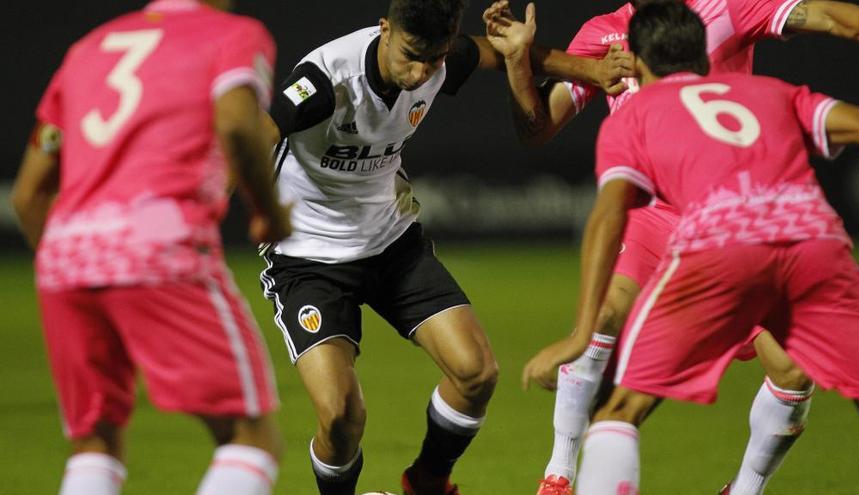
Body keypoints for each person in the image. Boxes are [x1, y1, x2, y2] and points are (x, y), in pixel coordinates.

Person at [485, 0, 859, 492]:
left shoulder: (726, 10)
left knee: (788, 372)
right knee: (612, 321)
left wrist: (577, 331)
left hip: (727, 222)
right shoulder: (609, 36)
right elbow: (539, 127)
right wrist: (519, 63)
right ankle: (560, 474)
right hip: (673, 220)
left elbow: (827, 16)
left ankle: (743, 488)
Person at [258, 1, 634, 494]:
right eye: (410, 56)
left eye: (433, 61)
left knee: (476, 373)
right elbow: (254, 134)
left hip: (391, 242)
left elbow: (499, 54)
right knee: (341, 416)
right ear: (384, 29)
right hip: (308, 258)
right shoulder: (326, 81)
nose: (419, 73)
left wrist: (590, 69)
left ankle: (427, 482)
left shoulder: (438, 57)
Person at [10, 1, 291, 494]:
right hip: (154, 237)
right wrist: (267, 208)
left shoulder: (89, 47)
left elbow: (28, 194)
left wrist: (79, 261)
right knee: (250, 437)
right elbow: (237, 123)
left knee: (95, 443)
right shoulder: (233, 34)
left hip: (66, 253)